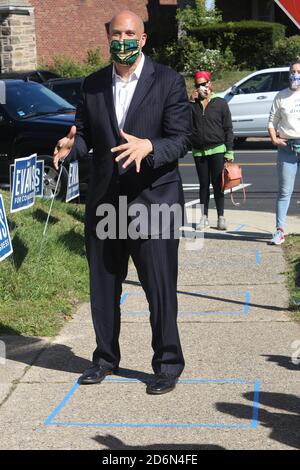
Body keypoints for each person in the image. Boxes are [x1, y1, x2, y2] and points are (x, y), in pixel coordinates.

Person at [53, 10, 191, 395]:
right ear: (108, 37)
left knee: (159, 287)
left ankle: (167, 363)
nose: (124, 39)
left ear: (143, 39)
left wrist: (150, 146)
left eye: (131, 33)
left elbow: (182, 138)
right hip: (104, 204)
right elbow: (86, 136)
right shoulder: (93, 84)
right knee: (103, 286)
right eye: (117, 33)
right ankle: (104, 359)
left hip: (154, 202)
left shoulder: (167, 81)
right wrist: (71, 148)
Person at [190, 71, 234, 230]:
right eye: (198, 85)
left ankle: (221, 217)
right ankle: (204, 217)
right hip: (199, 151)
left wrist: (229, 152)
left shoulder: (220, 103)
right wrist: (189, 102)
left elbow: (228, 129)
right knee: (203, 185)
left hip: (217, 149)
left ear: (210, 83)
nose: (201, 87)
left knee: (218, 184)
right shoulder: (192, 104)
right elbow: (184, 122)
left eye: (204, 83)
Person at [268, 61, 300, 245]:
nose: (296, 74)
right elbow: (272, 121)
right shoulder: (281, 96)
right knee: (284, 192)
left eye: (299, 71)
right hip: (287, 148)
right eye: (293, 71)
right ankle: (280, 231)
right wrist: (274, 139)